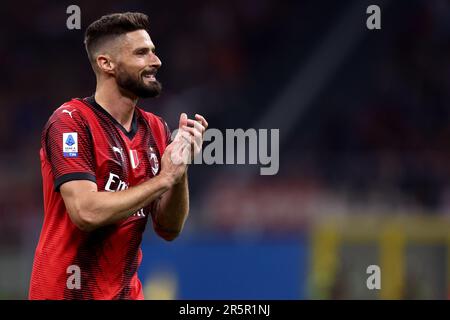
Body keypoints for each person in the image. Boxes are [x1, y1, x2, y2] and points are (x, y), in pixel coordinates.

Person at [29, 12, 208, 300]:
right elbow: (86, 212)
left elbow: (169, 228)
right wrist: (163, 179)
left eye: (153, 51)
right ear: (106, 63)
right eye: (142, 53)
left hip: (126, 293)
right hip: (66, 294)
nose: (156, 61)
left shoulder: (156, 129)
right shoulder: (70, 122)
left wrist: (180, 169)